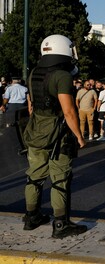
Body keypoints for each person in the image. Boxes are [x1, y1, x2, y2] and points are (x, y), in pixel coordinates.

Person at [21, 34, 87, 238]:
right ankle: (61, 224)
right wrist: (79, 136)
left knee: (34, 176)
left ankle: (32, 217)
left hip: (36, 130)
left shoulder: (34, 73)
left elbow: (31, 105)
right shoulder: (62, 76)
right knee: (60, 178)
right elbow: (68, 112)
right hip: (58, 134)